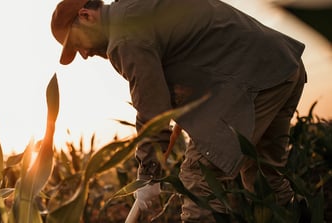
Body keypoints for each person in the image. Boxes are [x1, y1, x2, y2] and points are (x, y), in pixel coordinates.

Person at [50, 0, 307, 222]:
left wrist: (148, 175)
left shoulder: (124, 36)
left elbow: (152, 108)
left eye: (76, 43)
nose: (83, 54)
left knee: (199, 178)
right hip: (282, 65)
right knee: (263, 178)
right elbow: (191, 46)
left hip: (252, 80)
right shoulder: (135, 9)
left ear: (85, 16)